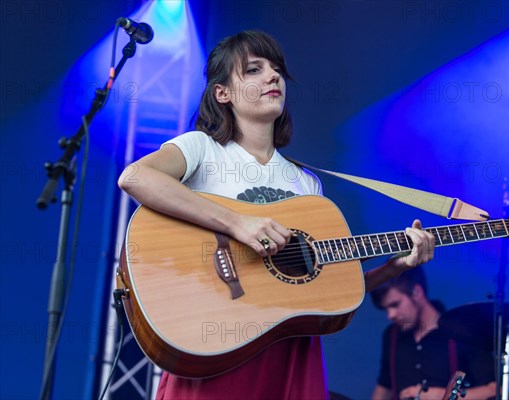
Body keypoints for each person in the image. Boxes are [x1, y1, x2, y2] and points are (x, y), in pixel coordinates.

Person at [118, 30, 435, 400]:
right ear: (223, 93)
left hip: (288, 349)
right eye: (254, 70)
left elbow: (327, 292)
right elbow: (136, 177)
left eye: (277, 70)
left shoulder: (306, 184)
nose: (273, 77)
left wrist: (396, 266)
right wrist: (238, 223)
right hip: (214, 336)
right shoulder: (202, 149)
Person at [370, 267, 496, 400]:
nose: (391, 315)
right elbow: (384, 385)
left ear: (416, 292)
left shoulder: (464, 332)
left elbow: (494, 390)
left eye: (395, 305)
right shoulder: (392, 335)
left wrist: (441, 395)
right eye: (386, 309)